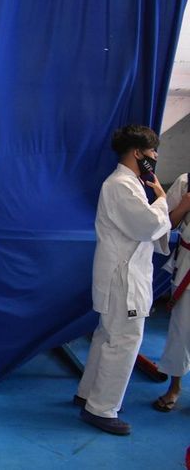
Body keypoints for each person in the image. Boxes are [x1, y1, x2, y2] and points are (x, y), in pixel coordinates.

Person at [74, 125, 170, 435]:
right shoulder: (120, 185)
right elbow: (147, 226)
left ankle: (89, 394)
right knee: (123, 341)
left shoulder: (127, 183)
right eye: (152, 151)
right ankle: (101, 409)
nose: (155, 157)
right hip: (123, 278)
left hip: (121, 273)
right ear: (138, 153)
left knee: (107, 336)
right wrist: (162, 199)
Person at [152, 172, 190, 412]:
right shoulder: (186, 181)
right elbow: (167, 222)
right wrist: (185, 205)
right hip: (188, 266)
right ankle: (174, 387)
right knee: (181, 330)